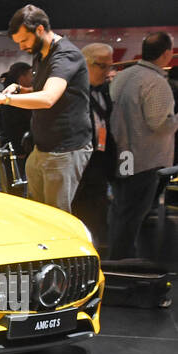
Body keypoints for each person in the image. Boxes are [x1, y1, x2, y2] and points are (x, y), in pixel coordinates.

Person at [0, 5, 91, 212]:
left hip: (64, 148)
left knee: (56, 216)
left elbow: (48, 98)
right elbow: (41, 90)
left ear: (39, 29)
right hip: (42, 146)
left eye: (24, 41)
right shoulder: (40, 54)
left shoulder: (65, 55)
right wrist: (19, 89)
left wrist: (3, 100)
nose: (21, 48)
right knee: (37, 212)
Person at [108, 32, 178, 259]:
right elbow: (160, 124)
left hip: (122, 153)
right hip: (146, 158)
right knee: (134, 211)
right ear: (167, 53)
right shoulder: (156, 82)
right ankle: (123, 258)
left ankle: (117, 252)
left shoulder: (124, 75)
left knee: (122, 207)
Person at [71, 43, 116, 247]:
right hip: (77, 166)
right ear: (85, 64)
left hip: (99, 164)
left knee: (97, 216)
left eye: (110, 66)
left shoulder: (104, 91)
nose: (108, 72)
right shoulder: (71, 91)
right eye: (102, 66)